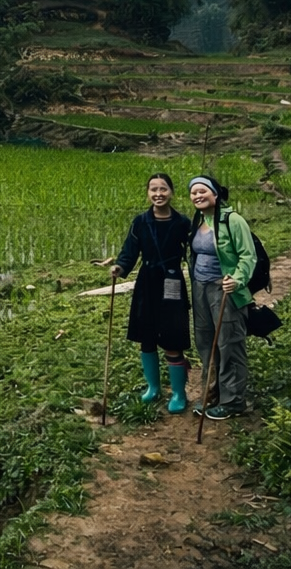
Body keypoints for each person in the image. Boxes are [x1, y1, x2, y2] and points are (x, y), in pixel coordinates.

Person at [110, 172, 194, 413]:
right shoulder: (140, 222)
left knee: (172, 337)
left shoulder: (182, 223)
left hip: (172, 281)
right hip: (146, 281)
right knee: (147, 338)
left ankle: (178, 393)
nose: (158, 194)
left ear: (172, 192)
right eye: (153, 189)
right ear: (148, 193)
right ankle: (153, 387)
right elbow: (130, 249)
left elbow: (194, 251)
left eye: (163, 189)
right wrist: (121, 266)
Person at [187, 175, 257, 420]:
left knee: (229, 343)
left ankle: (233, 401)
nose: (197, 196)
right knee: (206, 341)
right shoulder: (198, 220)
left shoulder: (233, 220)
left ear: (215, 194)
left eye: (202, 191)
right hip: (200, 289)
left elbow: (248, 256)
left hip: (224, 289)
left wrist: (236, 279)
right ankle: (213, 391)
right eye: (193, 192)